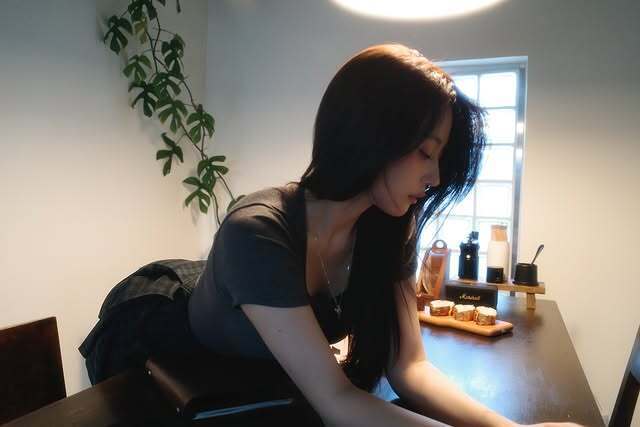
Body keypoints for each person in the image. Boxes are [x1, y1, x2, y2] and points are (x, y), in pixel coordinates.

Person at [81, 43, 583, 426]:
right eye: (425, 153)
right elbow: (336, 401)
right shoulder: (255, 233)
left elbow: (410, 368)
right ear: (371, 135)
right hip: (169, 348)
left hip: (258, 371)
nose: (434, 177)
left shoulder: (389, 227)